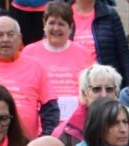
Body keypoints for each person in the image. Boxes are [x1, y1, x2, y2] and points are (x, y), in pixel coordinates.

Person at [21, 2, 92, 132]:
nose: (56, 28)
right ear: (44, 25)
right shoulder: (29, 52)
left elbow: (89, 91)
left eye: (61, 24)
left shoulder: (84, 54)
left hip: (75, 125)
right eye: (52, 23)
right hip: (41, 123)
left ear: (70, 27)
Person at [68, 0, 129, 82]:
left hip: (106, 84)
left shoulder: (110, 14)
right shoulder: (62, 14)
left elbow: (123, 54)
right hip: (71, 84)